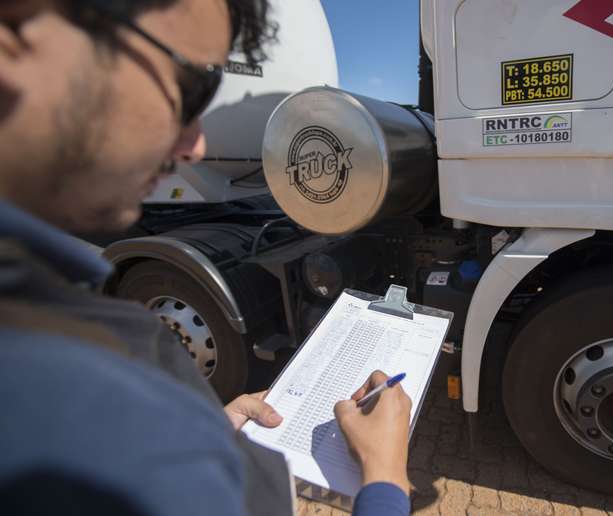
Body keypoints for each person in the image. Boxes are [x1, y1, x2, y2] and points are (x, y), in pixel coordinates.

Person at [0, 1, 411, 515]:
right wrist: (385, 478)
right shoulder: (80, 417)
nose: (195, 144)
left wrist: (208, 424)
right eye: (187, 87)